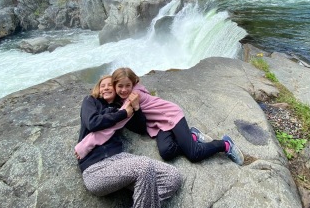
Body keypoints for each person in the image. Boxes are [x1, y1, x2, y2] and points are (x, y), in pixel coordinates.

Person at [75, 67, 244, 166]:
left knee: (193, 154)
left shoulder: (131, 98)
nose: (124, 90)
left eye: (128, 86)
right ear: (115, 86)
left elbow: (115, 125)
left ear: (133, 84)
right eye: (120, 86)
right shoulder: (118, 101)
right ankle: (191, 135)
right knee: (166, 152)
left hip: (171, 115)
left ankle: (224, 144)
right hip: (160, 124)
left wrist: (84, 146)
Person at [76, 75, 182, 208]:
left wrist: (136, 108)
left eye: (110, 85)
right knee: (144, 166)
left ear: (116, 89)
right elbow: (93, 123)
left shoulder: (121, 108)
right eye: (102, 86)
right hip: (94, 169)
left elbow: (140, 128)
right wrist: (123, 114)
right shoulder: (90, 101)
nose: (106, 88)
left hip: (119, 161)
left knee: (172, 177)